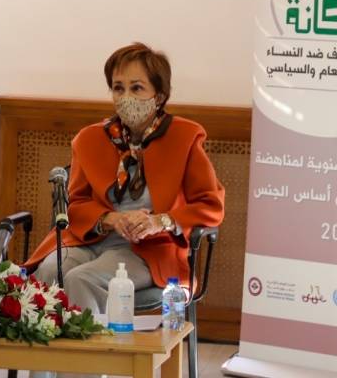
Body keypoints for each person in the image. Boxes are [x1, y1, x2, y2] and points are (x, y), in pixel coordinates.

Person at [25, 42, 225, 330]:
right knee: (48, 271)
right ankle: (45, 359)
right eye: (118, 88)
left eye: (137, 88)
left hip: (151, 250)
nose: (126, 96)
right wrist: (110, 219)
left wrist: (160, 221)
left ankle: (90, 357)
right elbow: (75, 204)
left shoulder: (185, 137)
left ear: (159, 96)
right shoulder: (89, 139)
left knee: (82, 279)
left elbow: (210, 205)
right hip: (91, 240)